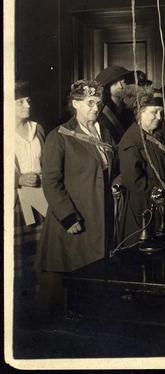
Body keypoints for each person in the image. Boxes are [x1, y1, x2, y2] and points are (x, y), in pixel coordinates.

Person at [35, 80, 117, 324]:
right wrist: (68, 217)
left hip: (100, 215)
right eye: (90, 103)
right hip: (72, 222)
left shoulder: (104, 131)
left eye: (98, 103)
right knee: (63, 285)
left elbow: (114, 168)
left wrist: (117, 182)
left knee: (92, 279)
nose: (96, 108)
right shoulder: (59, 136)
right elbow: (51, 182)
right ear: (75, 104)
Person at [117, 86, 165, 247]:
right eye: (154, 112)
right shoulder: (131, 140)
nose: (159, 117)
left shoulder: (157, 135)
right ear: (140, 112)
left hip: (162, 205)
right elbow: (133, 181)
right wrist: (162, 194)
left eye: (161, 113)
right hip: (143, 209)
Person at [14, 80, 48, 317]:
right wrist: (17, 178)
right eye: (21, 101)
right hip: (15, 205)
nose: (28, 104)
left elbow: (49, 161)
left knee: (41, 254)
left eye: (28, 100)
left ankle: (40, 307)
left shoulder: (38, 128)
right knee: (19, 261)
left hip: (41, 200)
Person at [95, 65, 133, 144]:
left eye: (123, 82)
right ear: (107, 87)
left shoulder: (128, 109)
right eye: (116, 83)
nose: (121, 86)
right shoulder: (101, 113)